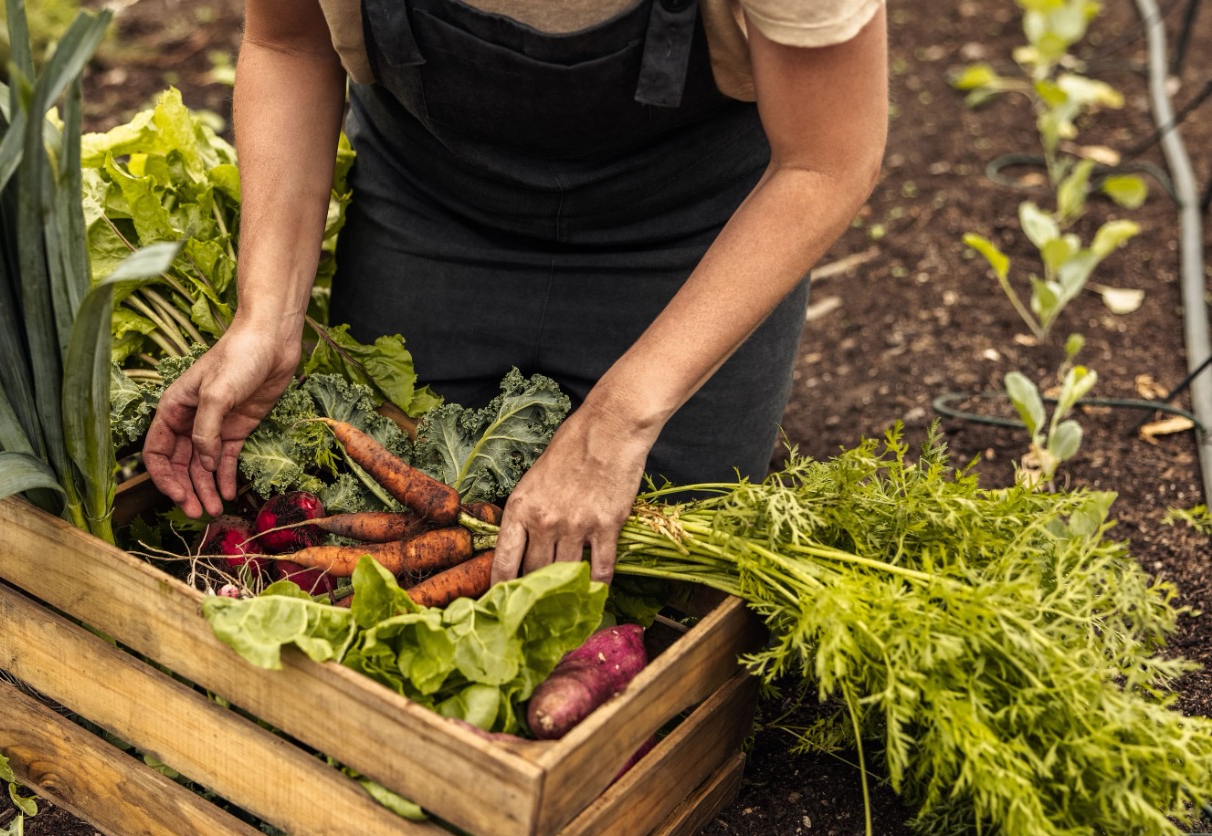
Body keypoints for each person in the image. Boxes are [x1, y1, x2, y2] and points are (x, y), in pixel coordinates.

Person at [143, 0, 888, 586]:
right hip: (436, 201)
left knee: (659, 571)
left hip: (689, 228)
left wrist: (619, 421)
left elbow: (826, 161)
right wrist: (266, 319)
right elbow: (288, 43)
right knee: (390, 522)